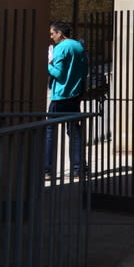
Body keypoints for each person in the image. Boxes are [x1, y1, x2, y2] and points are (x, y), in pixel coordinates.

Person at [44, 21, 88, 178]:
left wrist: (48, 63)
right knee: (74, 131)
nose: (51, 37)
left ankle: (47, 170)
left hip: (60, 96)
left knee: (49, 130)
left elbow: (59, 73)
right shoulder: (79, 46)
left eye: (52, 33)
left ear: (60, 34)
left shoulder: (61, 47)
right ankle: (78, 167)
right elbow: (84, 71)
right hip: (75, 94)